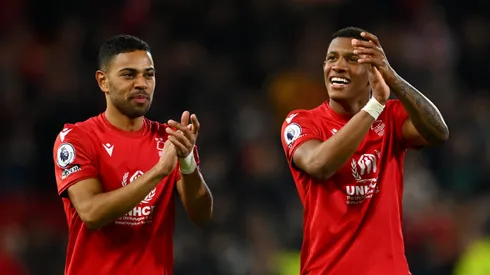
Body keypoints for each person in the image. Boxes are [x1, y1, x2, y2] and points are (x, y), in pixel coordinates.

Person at [280, 27, 449, 275]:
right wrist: (374, 106)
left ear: (372, 71)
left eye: (351, 59)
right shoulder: (302, 122)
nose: (337, 66)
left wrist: (393, 79)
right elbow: (319, 164)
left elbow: (438, 133)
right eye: (331, 58)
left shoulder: (391, 117)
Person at [52, 35, 213, 275]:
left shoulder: (169, 139)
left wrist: (187, 162)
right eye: (129, 75)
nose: (142, 83)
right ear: (103, 81)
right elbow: (91, 213)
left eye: (149, 74)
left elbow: (202, 216)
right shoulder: (77, 138)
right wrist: (158, 172)